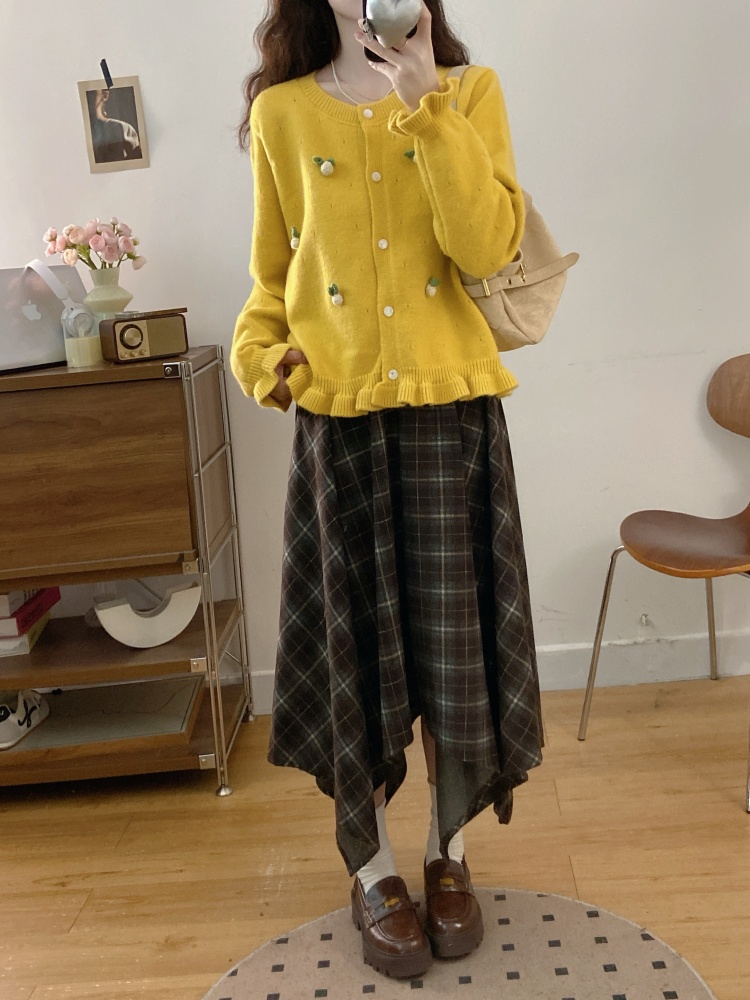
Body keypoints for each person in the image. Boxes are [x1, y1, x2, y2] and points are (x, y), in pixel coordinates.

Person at [231, 0, 543, 980]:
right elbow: (272, 279)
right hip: (341, 421)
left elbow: (489, 248)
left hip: (451, 412)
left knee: (455, 652)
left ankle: (450, 851)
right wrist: (258, 356)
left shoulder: (467, 92)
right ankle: (370, 867)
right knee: (352, 652)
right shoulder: (282, 113)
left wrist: (427, 106)